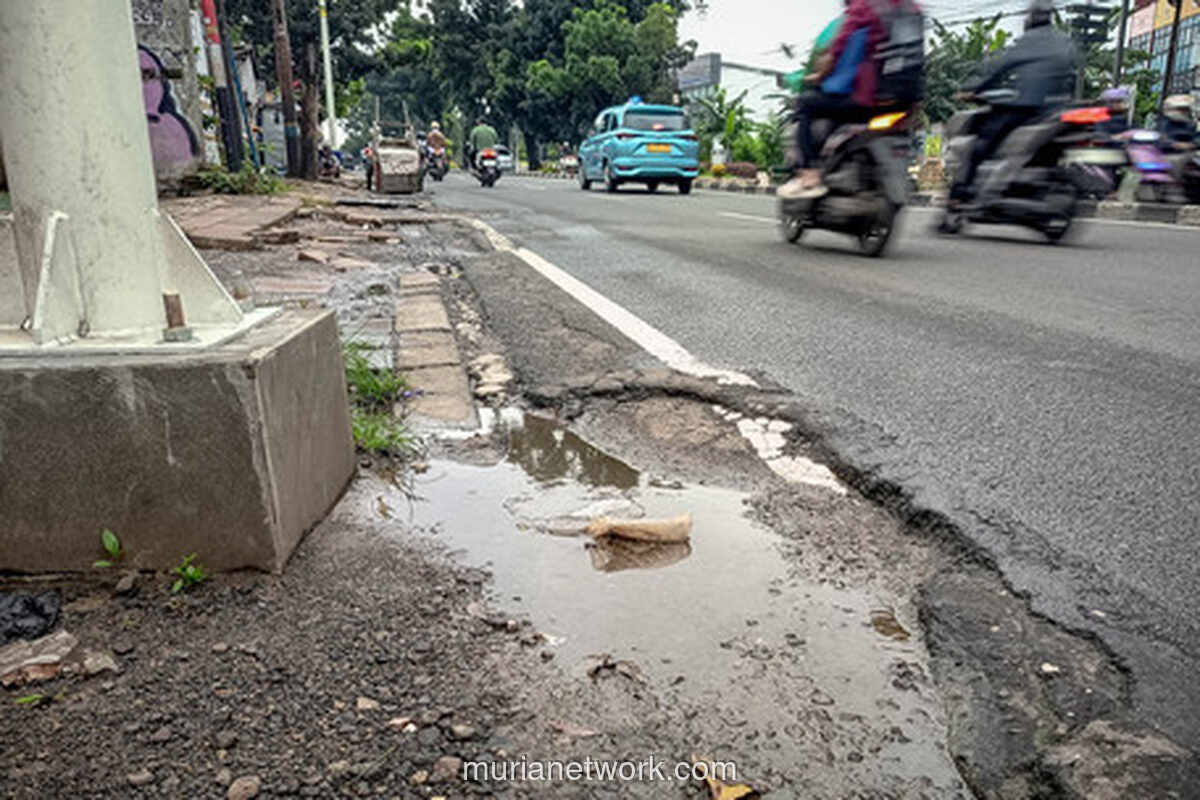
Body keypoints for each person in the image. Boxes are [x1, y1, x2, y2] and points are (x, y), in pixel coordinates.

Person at [779, 0, 915, 200]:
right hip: (894, 101)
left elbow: (834, 53)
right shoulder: (905, 13)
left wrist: (817, 76)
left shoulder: (858, 13)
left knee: (806, 104)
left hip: (859, 100)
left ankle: (810, 174)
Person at [948, 0, 1080, 205]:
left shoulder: (1030, 41)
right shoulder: (1064, 41)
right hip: (1055, 112)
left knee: (981, 145)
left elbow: (1000, 67)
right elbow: (1073, 72)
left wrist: (974, 89)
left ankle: (962, 194)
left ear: (1031, 18)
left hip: (1025, 109)